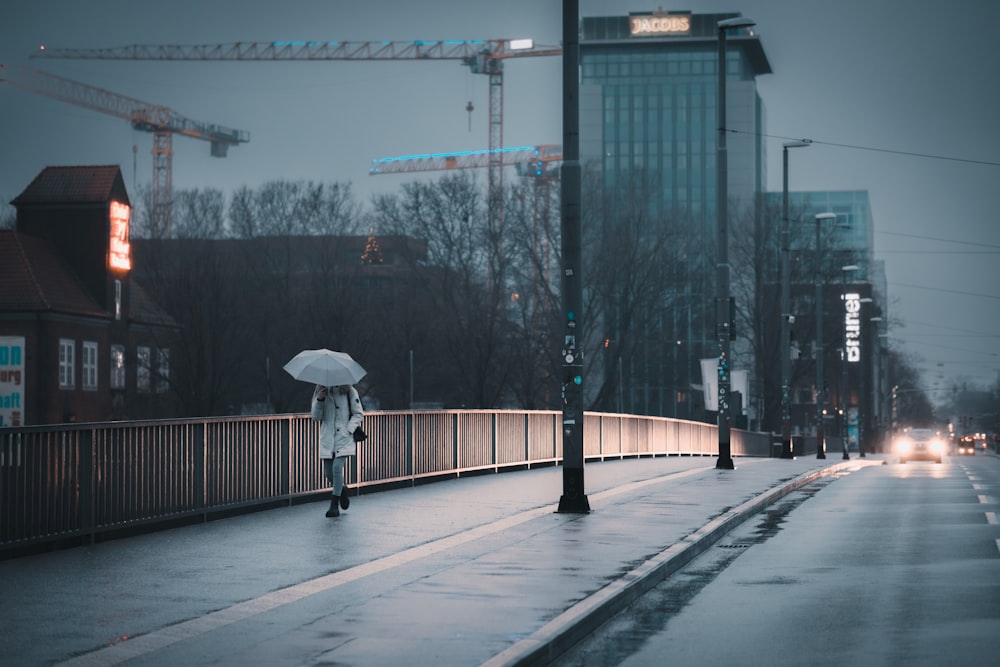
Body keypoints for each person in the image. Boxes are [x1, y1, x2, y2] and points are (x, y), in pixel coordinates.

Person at [311, 383, 364, 517]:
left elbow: (358, 413)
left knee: (336, 469)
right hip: (327, 438)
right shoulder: (320, 390)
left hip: (343, 438)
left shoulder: (349, 391)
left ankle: (334, 505)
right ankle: (343, 490)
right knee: (328, 473)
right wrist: (320, 399)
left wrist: (349, 429)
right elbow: (315, 417)